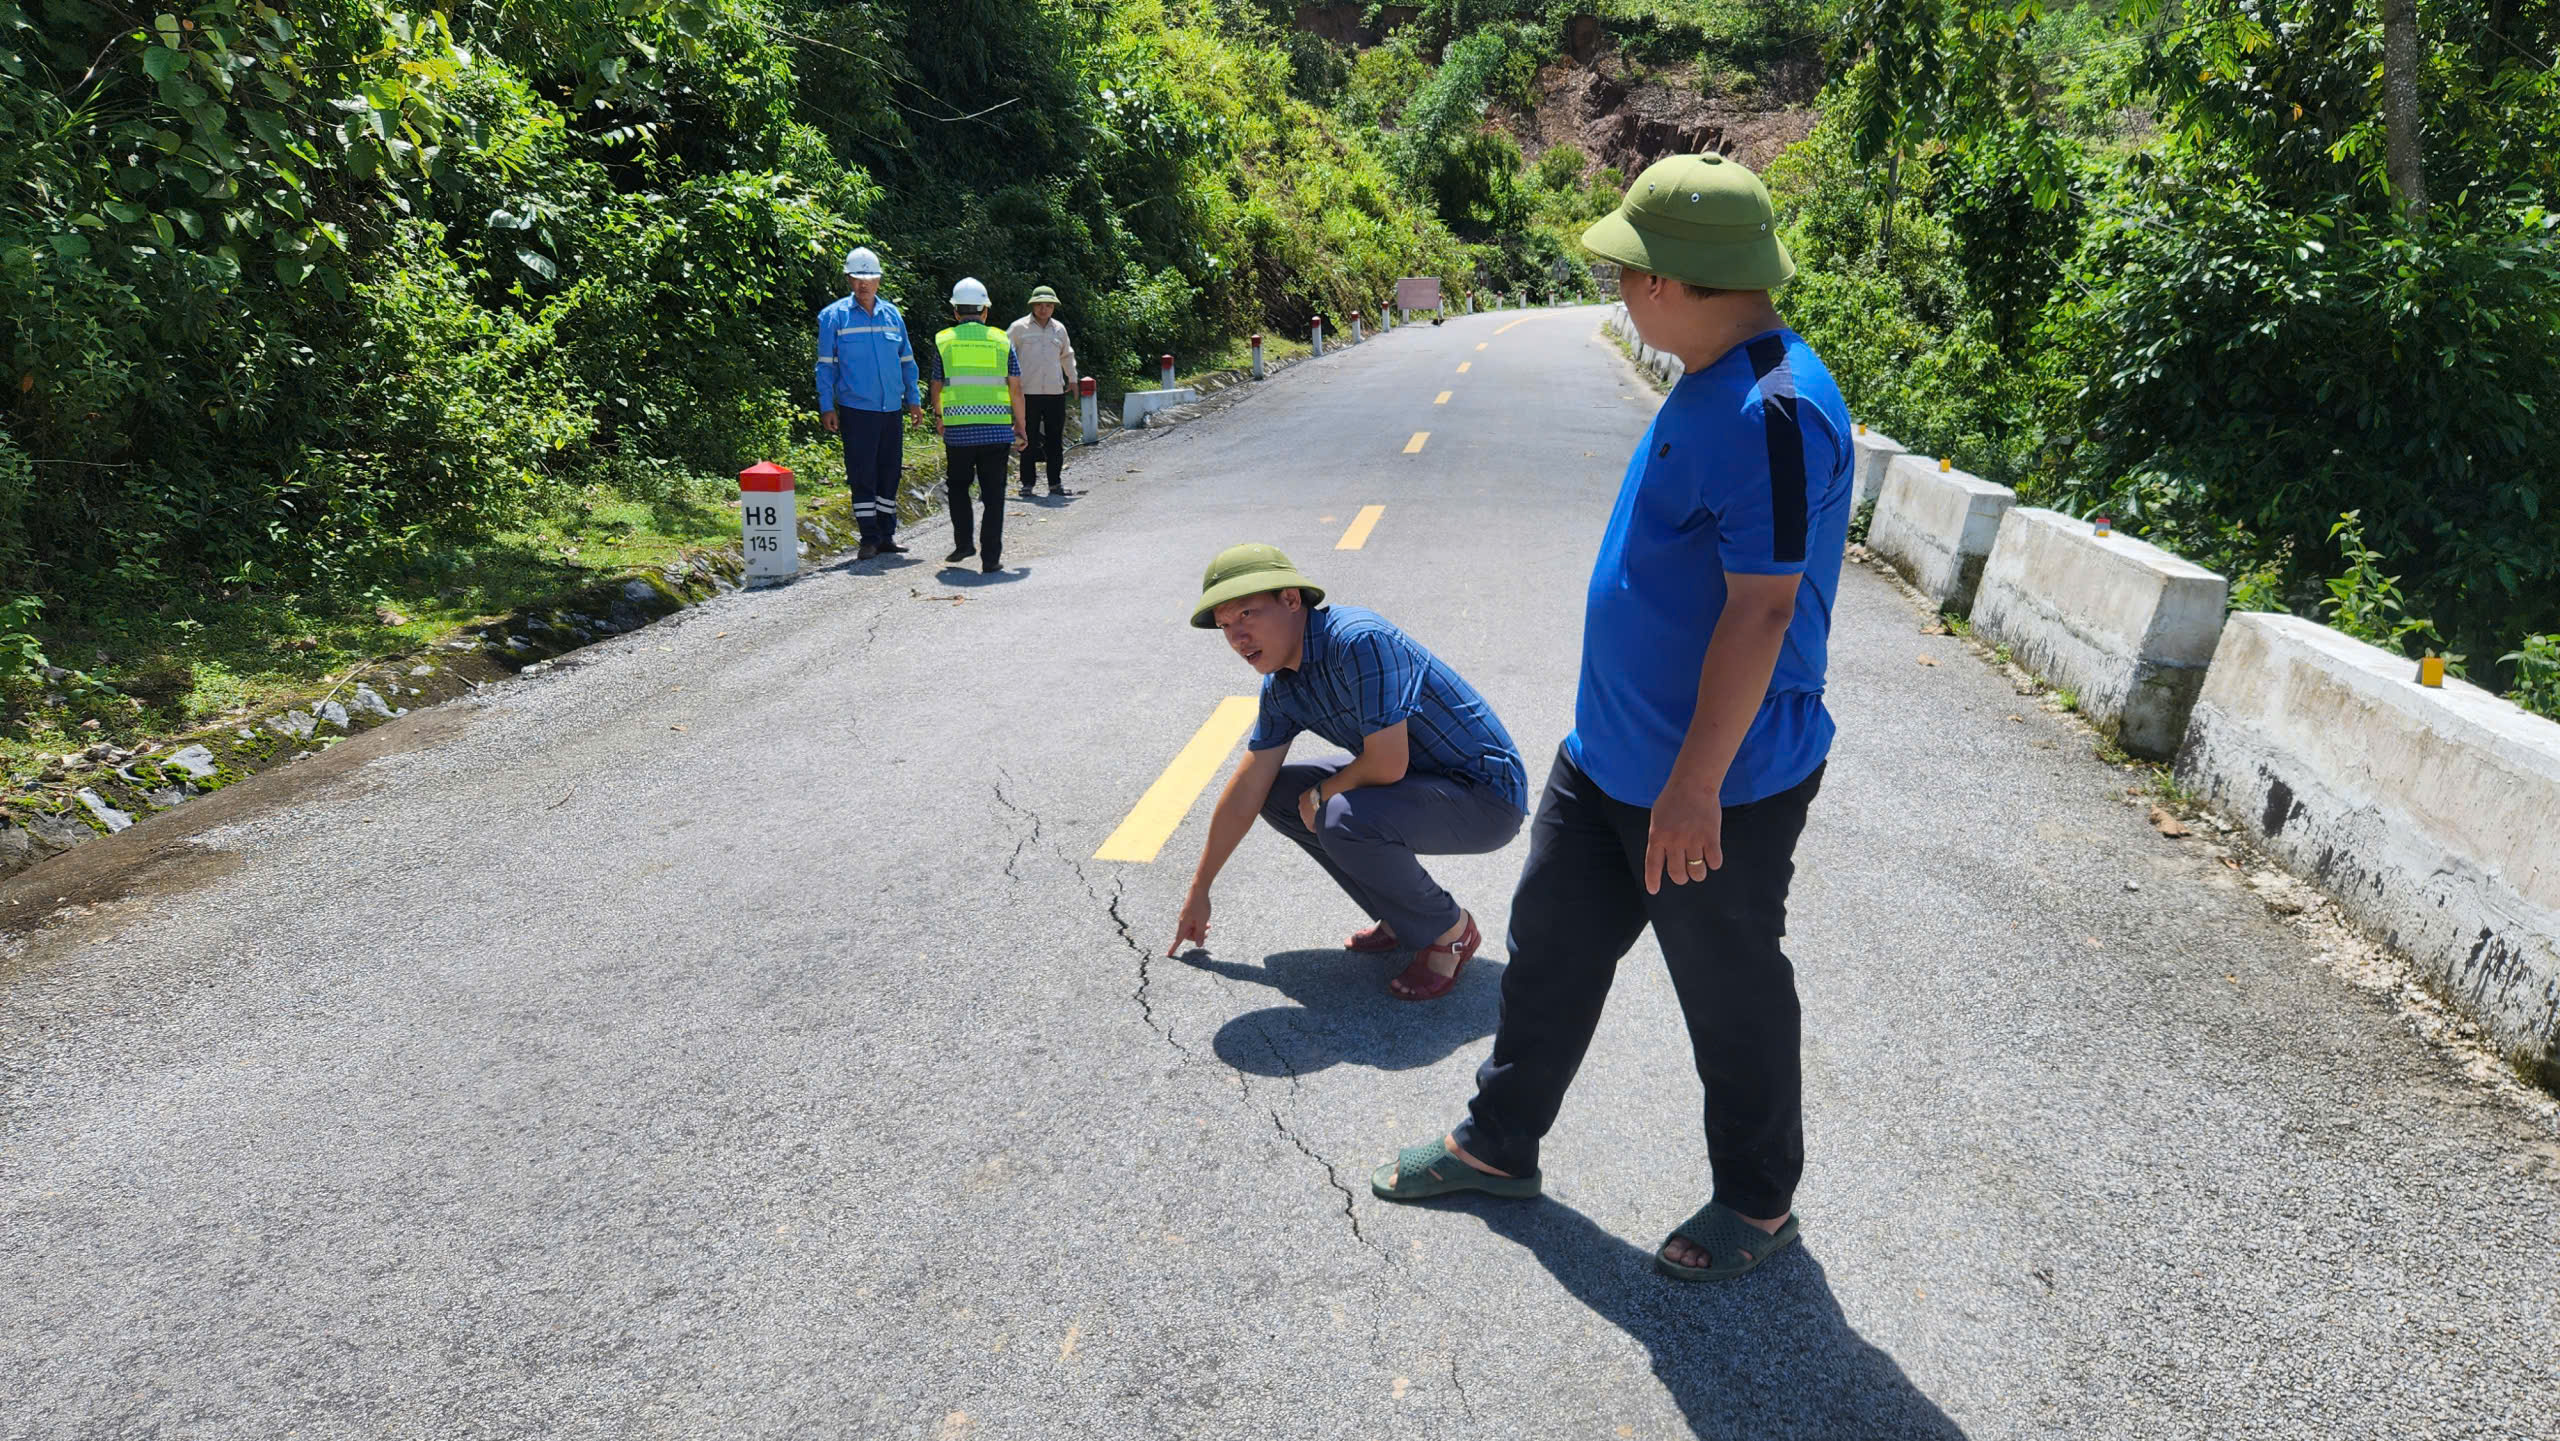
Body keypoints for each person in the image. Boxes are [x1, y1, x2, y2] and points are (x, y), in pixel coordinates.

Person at [1368, 153, 1856, 1285]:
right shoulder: (1702, 375)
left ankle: (1756, 1200)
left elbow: (1766, 608)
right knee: (1550, 950)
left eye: (1628, 270)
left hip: (1714, 783)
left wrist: (1692, 787)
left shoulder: (1775, 410)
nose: (1619, 290)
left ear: (1678, 281)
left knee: (1727, 988)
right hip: (1606, 764)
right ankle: (1498, 1145)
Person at [1166, 544, 1528, 1001]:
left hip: (1485, 796)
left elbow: (1386, 763)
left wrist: (1321, 795)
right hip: (1418, 782)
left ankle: (1449, 931)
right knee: (1277, 794)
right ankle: (1401, 917)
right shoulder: (1283, 687)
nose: (1237, 638)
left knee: (1338, 813)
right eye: (1224, 626)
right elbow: (1248, 788)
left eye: (1247, 614)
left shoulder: (1358, 641)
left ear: (1292, 600)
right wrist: (1200, 889)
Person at [813, 246, 925, 561]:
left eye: (870, 278)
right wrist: (827, 405)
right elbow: (826, 365)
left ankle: (887, 534)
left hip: (891, 407)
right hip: (856, 409)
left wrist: (913, 400)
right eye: (858, 278)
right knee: (863, 473)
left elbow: (907, 360)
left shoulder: (893, 315)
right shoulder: (834, 316)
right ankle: (869, 537)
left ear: (879, 280)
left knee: (890, 471)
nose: (864, 284)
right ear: (848, 279)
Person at [920, 277, 1027, 574]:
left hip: (958, 432)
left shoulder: (944, 340)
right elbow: (1016, 389)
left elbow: (937, 384)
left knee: (957, 488)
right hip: (996, 430)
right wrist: (1021, 427)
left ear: (955, 312)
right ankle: (991, 559)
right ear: (985, 311)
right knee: (994, 495)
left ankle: (964, 543)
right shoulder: (1001, 340)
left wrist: (939, 417)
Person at [1007, 285, 1078, 498]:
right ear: (1032, 306)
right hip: (1026, 393)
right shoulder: (1018, 328)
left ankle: (1055, 483)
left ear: (1054, 307)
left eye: (1048, 305)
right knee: (1026, 437)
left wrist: (1072, 379)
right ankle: (1027, 483)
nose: (1044, 309)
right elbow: (1005, 356)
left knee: (1055, 438)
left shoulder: (1059, 329)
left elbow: (1067, 355)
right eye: (1039, 305)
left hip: (1055, 392)